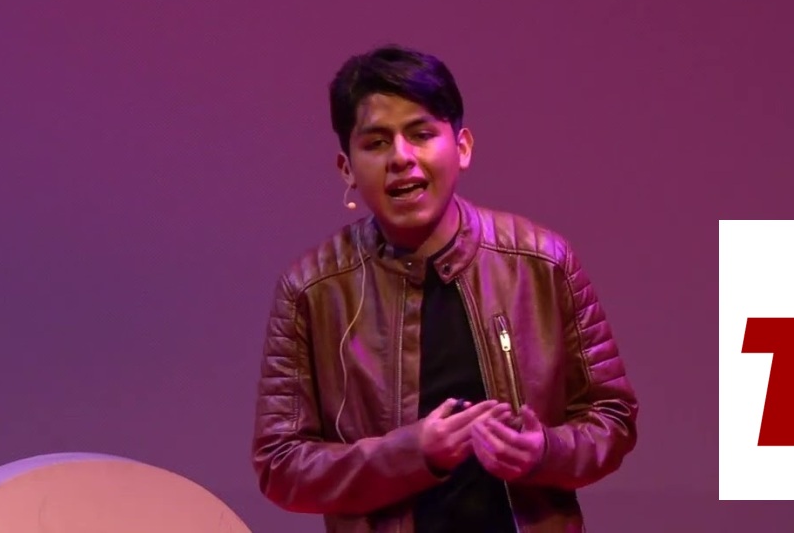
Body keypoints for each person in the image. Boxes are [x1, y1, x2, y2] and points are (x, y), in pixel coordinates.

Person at [252, 44, 639, 532]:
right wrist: (411, 454)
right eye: (376, 142)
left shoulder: (543, 261)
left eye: (421, 134)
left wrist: (544, 451)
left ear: (462, 147)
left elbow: (612, 418)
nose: (401, 157)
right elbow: (280, 465)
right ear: (346, 168)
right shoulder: (311, 289)